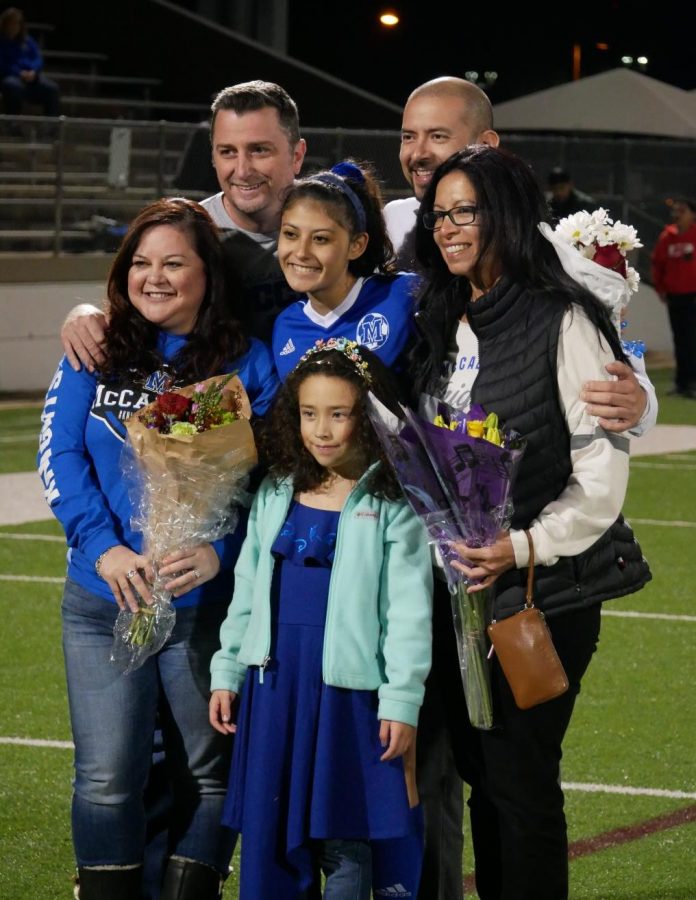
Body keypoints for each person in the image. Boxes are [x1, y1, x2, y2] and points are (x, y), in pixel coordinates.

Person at [410, 144, 651, 899]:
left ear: (507, 216)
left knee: (520, 784)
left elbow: (602, 479)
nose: (449, 228)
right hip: (462, 595)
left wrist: (518, 547)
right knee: (486, 777)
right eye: (440, 214)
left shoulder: (564, 320)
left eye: (466, 212)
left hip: (543, 595)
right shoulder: (442, 320)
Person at [37, 198, 279, 900]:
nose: (155, 277)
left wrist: (220, 552)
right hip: (101, 596)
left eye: (175, 262)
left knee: (211, 774)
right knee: (107, 778)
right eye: (141, 263)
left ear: (208, 274)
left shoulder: (247, 363)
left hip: (201, 606)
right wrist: (103, 546)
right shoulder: (96, 345)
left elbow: (271, 479)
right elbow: (59, 455)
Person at [209, 341, 433, 898]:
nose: (323, 430)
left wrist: (401, 699)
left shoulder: (393, 501)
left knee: (348, 838)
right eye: (310, 414)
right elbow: (246, 592)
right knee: (272, 832)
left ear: (370, 414)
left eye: (340, 414)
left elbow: (408, 612)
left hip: (349, 696)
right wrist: (227, 670)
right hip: (275, 687)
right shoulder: (278, 489)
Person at [384, 77, 656, 442]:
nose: (417, 153)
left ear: (486, 144)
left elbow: (611, 356)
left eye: (437, 136)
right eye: (407, 136)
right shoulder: (388, 223)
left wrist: (641, 402)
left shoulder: (541, 243)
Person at [60, 80, 306, 366]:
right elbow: (138, 304)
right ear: (213, 157)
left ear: (297, 155)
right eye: (227, 152)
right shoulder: (188, 232)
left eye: (259, 150)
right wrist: (83, 314)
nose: (242, 170)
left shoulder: (332, 220)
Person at [272, 159, 419, 379]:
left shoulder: (404, 295)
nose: (301, 252)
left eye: (320, 239)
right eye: (291, 234)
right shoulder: (286, 326)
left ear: (356, 245)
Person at [651, 197, 696, 398]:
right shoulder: (666, 237)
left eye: (683, 210)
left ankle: (692, 383)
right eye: (676, 211)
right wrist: (661, 289)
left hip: (693, 296)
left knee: (692, 340)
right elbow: (657, 264)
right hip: (675, 297)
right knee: (680, 340)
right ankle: (682, 383)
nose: (678, 214)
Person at [0, 7, 59, 118]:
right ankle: (13, 125)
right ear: (5, 24)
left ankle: (50, 128)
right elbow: (2, 64)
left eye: (17, 23)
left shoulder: (28, 41)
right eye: (11, 23)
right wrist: (19, 73)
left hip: (31, 77)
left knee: (52, 88)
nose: (14, 26)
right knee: (12, 86)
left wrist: (33, 71)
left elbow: (37, 59)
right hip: (10, 76)